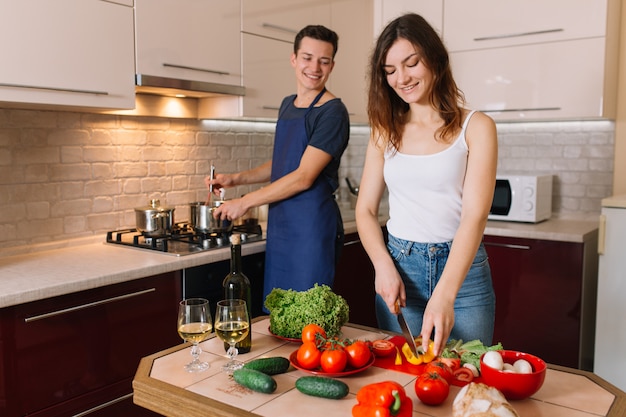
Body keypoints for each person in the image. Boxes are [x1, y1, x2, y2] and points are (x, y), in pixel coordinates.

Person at [355, 13, 497, 356]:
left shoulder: (477, 127)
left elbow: (474, 217)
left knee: (467, 380)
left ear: (434, 58)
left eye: (411, 63)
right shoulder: (384, 129)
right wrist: (382, 267)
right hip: (401, 272)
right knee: (405, 384)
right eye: (389, 71)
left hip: (463, 279)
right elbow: (366, 210)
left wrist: (446, 294)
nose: (401, 78)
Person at [206, 25, 350, 303]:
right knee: (279, 313)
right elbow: (285, 163)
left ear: (332, 65)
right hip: (282, 225)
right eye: (308, 57)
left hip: (311, 227)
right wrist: (235, 179)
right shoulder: (288, 104)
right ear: (294, 59)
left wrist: (245, 202)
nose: (315, 67)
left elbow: (304, 176)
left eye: (324, 60)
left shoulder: (333, 112)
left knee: (308, 315)